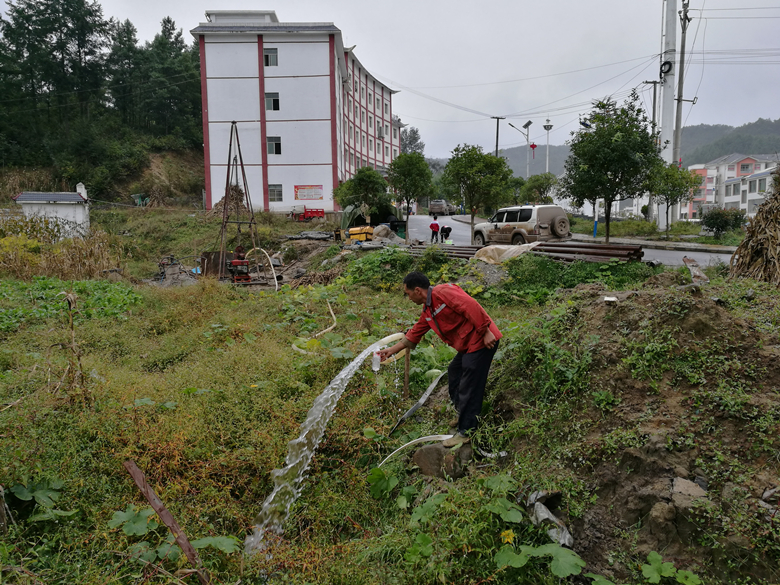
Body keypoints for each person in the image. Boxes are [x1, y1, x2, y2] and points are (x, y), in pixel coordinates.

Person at [378, 271, 502, 447]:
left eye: (408, 294)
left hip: (482, 340)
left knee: (469, 384)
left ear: (418, 290)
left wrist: (486, 331)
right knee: (454, 372)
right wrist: (390, 350)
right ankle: (463, 414)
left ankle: (466, 431)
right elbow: (415, 333)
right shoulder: (428, 309)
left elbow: (471, 306)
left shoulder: (443, 292)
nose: (409, 298)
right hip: (469, 345)